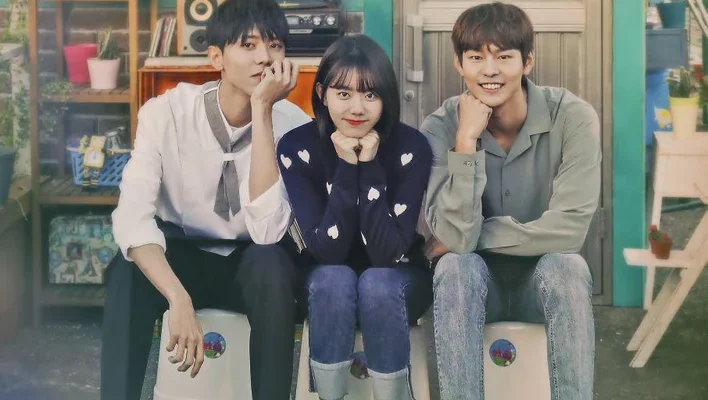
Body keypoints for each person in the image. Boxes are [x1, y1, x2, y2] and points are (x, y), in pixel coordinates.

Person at [100, 0, 312, 399]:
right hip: (182, 257)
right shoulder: (166, 114)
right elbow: (132, 216)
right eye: (248, 45)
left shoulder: (296, 128)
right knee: (127, 272)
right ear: (216, 57)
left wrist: (263, 112)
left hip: (252, 263)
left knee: (273, 267)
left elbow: (268, 231)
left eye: (275, 46)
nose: (264, 58)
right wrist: (176, 296)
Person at [421, 3, 601, 400]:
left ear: (527, 61)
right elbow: (456, 242)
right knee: (455, 267)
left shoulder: (573, 117)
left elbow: (569, 230)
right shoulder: (440, 128)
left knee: (567, 268)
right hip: (473, 287)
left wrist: (475, 235)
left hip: (540, 285)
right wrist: (466, 143)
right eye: (476, 58)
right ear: (458, 63)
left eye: (503, 57)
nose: (490, 70)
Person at [276, 34, 433, 400]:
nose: (357, 108)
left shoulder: (411, 147)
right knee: (334, 278)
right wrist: (347, 167)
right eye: (343, 93)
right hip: (324, 282)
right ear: (322, 94)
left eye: (370, 94)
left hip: (398, 278)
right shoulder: (297, 147)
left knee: (377, 282)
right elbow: (327, 251)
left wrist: (371, 165)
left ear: (386, 98)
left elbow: (386, 254)